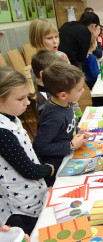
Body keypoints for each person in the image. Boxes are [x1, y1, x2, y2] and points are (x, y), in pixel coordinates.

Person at [0, 67, 55, 234]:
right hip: (21, 207)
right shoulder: (2, 132)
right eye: (20, 99)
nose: (28, 102)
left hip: (32, 194)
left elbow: (27, 153)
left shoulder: (11, 119)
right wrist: (49, 170)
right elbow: (27, 169)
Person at [33, 63, 89, 187]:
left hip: (68, 155)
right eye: (79, 90)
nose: (83, 90)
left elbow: (65, 128)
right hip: (58, 166)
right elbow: (39, 146)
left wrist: (78, 130)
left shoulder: (65, 103)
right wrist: (71, 145)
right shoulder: (53, 117)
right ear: (63, 95)